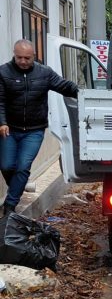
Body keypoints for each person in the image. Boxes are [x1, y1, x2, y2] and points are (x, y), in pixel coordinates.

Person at [0, 39, 78, 216]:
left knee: (23, 166)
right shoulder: (3, 72)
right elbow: (0, 101)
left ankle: (10, 206)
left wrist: (83, 92)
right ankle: (19, 185)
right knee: (6, 165)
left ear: (34, 56)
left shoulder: (44, 73)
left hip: (34, 130)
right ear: (14, 54)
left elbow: (63, 86)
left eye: (27, 58)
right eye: (19, 57)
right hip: (10, 129)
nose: (23, 61)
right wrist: (2, 122)